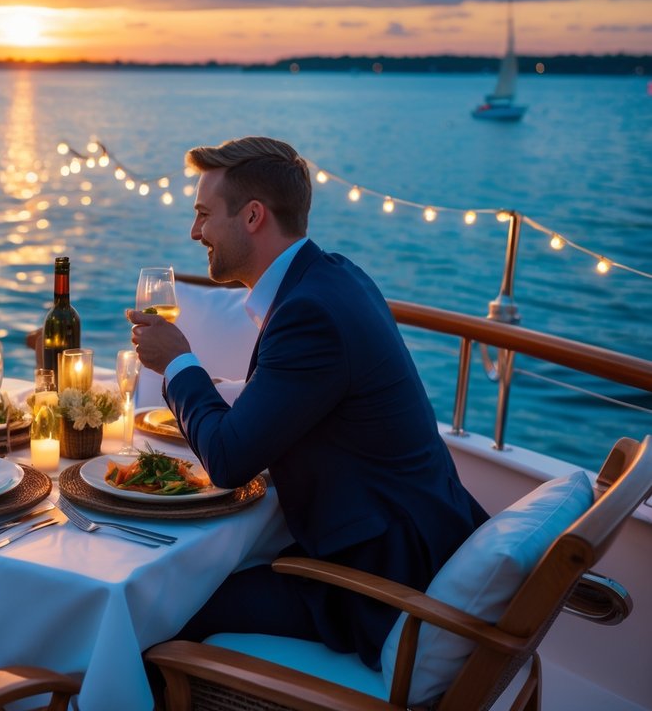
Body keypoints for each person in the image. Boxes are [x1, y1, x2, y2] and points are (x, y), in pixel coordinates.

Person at [128, 135, 487, 669]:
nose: (194, 231)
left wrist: (179, 364)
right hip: (401, 544)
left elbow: (228, 460)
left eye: (204, 214)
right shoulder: (333, 276)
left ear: (253, 216)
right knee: (202, 570)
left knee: (160, 611)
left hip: (378, 587)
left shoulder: (308, 314)